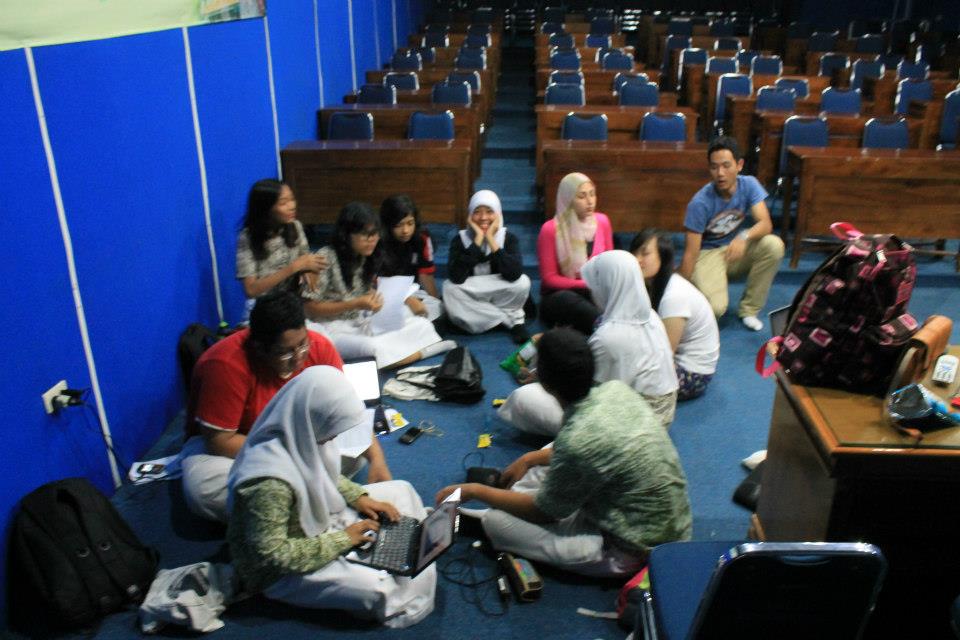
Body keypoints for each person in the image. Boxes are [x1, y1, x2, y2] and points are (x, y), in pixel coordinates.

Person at [437, 328, 692, 577]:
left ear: (544, 382)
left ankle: (488, 521)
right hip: (668, 525)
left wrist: (475, 491)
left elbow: (544, 514)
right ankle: (517, 497)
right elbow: (592, 451)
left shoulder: (576, 440)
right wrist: (529, 459)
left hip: (634, 549)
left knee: (498, 524)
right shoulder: (616, 390)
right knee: (551, 451)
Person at [227, 366, 435, 627]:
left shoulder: (302, 434)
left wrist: (359, 497)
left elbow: (323, 474)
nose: (336, 435)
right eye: (333, 428)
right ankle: (404, 560)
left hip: (318, 517)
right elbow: (273, 555)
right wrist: (343, 539)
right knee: (377, 588)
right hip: (278, 570)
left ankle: (404, 552)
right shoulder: (268, 483)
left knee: (400, 489)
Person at [181, 290, 392, 523]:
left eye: (302, 345)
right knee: (203, 489)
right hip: (240, 449)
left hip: (303, 441)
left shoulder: (319, 346)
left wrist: (377, 459)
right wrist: (293, 456)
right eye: (284, 352)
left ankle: (291, 504)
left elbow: (347, 411)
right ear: (259, 347)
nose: (298, 357)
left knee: (355, 455)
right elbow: (220, 442)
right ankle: (307, 500)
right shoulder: (224, 364)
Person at [498, 250, 679, 434]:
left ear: (608, 286)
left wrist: (545, 376)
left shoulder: (610, 336)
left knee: (523, 398)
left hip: (634, 427)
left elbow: (583, 393)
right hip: (662, 415)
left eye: (594, 288)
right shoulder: (651, 315)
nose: (592, 294)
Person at [301, 202, 453, 368]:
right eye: (366, 235)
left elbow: (364, 290)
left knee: (421, 324)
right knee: (373, 347)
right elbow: (309, 309)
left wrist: (384, 299)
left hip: (358, 320)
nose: (372, 240)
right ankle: (425, 351)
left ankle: (410, 352)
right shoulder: (324, 259)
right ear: (347, 234)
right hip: (330, 328)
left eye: (375, 234)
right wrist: (355, 304)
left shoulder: (363, 255)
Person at [679, 136, 784, 331]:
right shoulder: (699, 203)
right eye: (714, 167)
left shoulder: (749, 184)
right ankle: (697, 286)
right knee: (716, 309)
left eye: (726, 166)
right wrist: (677, 289)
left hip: (735, 250)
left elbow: (765, 224)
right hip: (708, 254)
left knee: (773, 245)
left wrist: (744, 236)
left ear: (739, 165)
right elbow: (691, 253)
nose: (720, 173)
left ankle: (749, 310)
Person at [631, 229, 719, 400]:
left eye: (645, 253)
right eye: (634, 253)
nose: (637, 259)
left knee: (623, 374)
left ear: (663, 257)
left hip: (693, 373)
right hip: (680, 359)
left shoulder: (674, 296)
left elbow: (664, 353)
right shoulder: (656, 284)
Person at [443, 190, 532, 344]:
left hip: (500, 294)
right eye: (477, 212)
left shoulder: (509, 238)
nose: (483, 217)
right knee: (449, 288)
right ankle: (510, 321)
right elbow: (457, 277)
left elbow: (514, 274)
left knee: (523, 282)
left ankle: (482, 317)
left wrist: (491, 239)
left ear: (498, 214)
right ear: (470, 216)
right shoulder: (460, 239)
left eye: (490, 212)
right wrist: (477, 240)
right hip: (472, 293)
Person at [537, 173, 614, 334]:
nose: (590, 201)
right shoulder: (550, 229)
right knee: (570, 301)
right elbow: (549, 279)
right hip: (561, 295)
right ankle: (605, 330)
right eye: (582, 196)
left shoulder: (602, 221)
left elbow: (611, 262)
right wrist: (586, 284)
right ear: (568, 199)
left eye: (592, 194)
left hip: (595, 291)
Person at [236, 179, 327, 315]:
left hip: (292, 305)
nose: (292, 206)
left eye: (292, 199)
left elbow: (306, 261)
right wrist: (294, 267)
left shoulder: (295, 226)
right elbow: (251, 290)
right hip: (264, 308)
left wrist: (309, 271)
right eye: (283, 203)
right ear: (266, 208)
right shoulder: (248, 237)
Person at [378, 195, 442, 322]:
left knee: (436, 307)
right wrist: (407, 299)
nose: (405, 230)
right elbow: (376, 283)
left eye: (410, 223)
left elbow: (426, 275)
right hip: (382, 294)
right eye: (399, 225)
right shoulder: (377, 241)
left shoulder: (422, 237)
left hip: (412, 290)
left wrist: (437, 301)